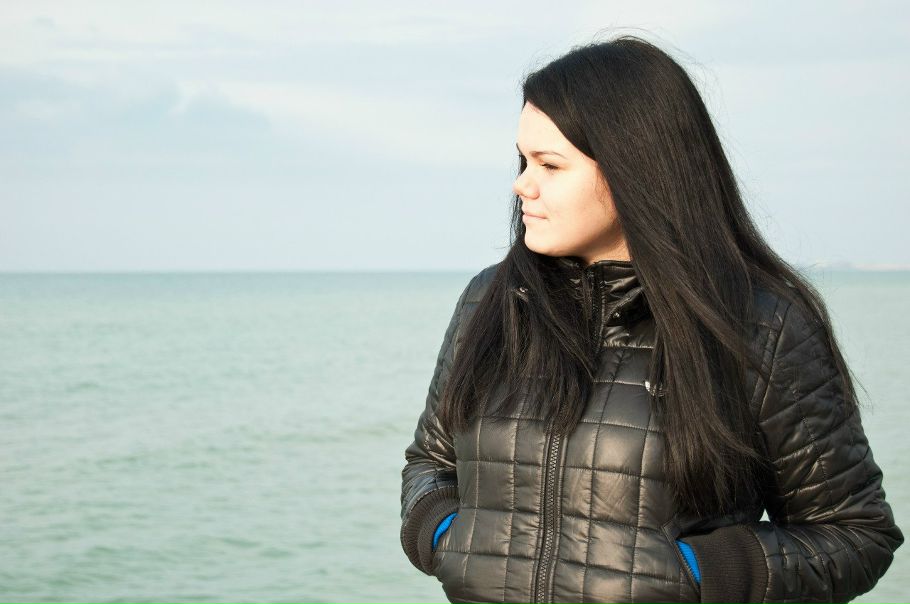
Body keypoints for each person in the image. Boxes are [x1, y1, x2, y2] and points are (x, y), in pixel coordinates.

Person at [399, 35, 903, 604]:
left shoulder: (761, 322)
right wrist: (442, 535)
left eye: (550, 164)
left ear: (632, 167)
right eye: (523, 160)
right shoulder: (491, 300)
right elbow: (430, 462)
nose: (522, 184)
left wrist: (699, 572)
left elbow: (856, 534)